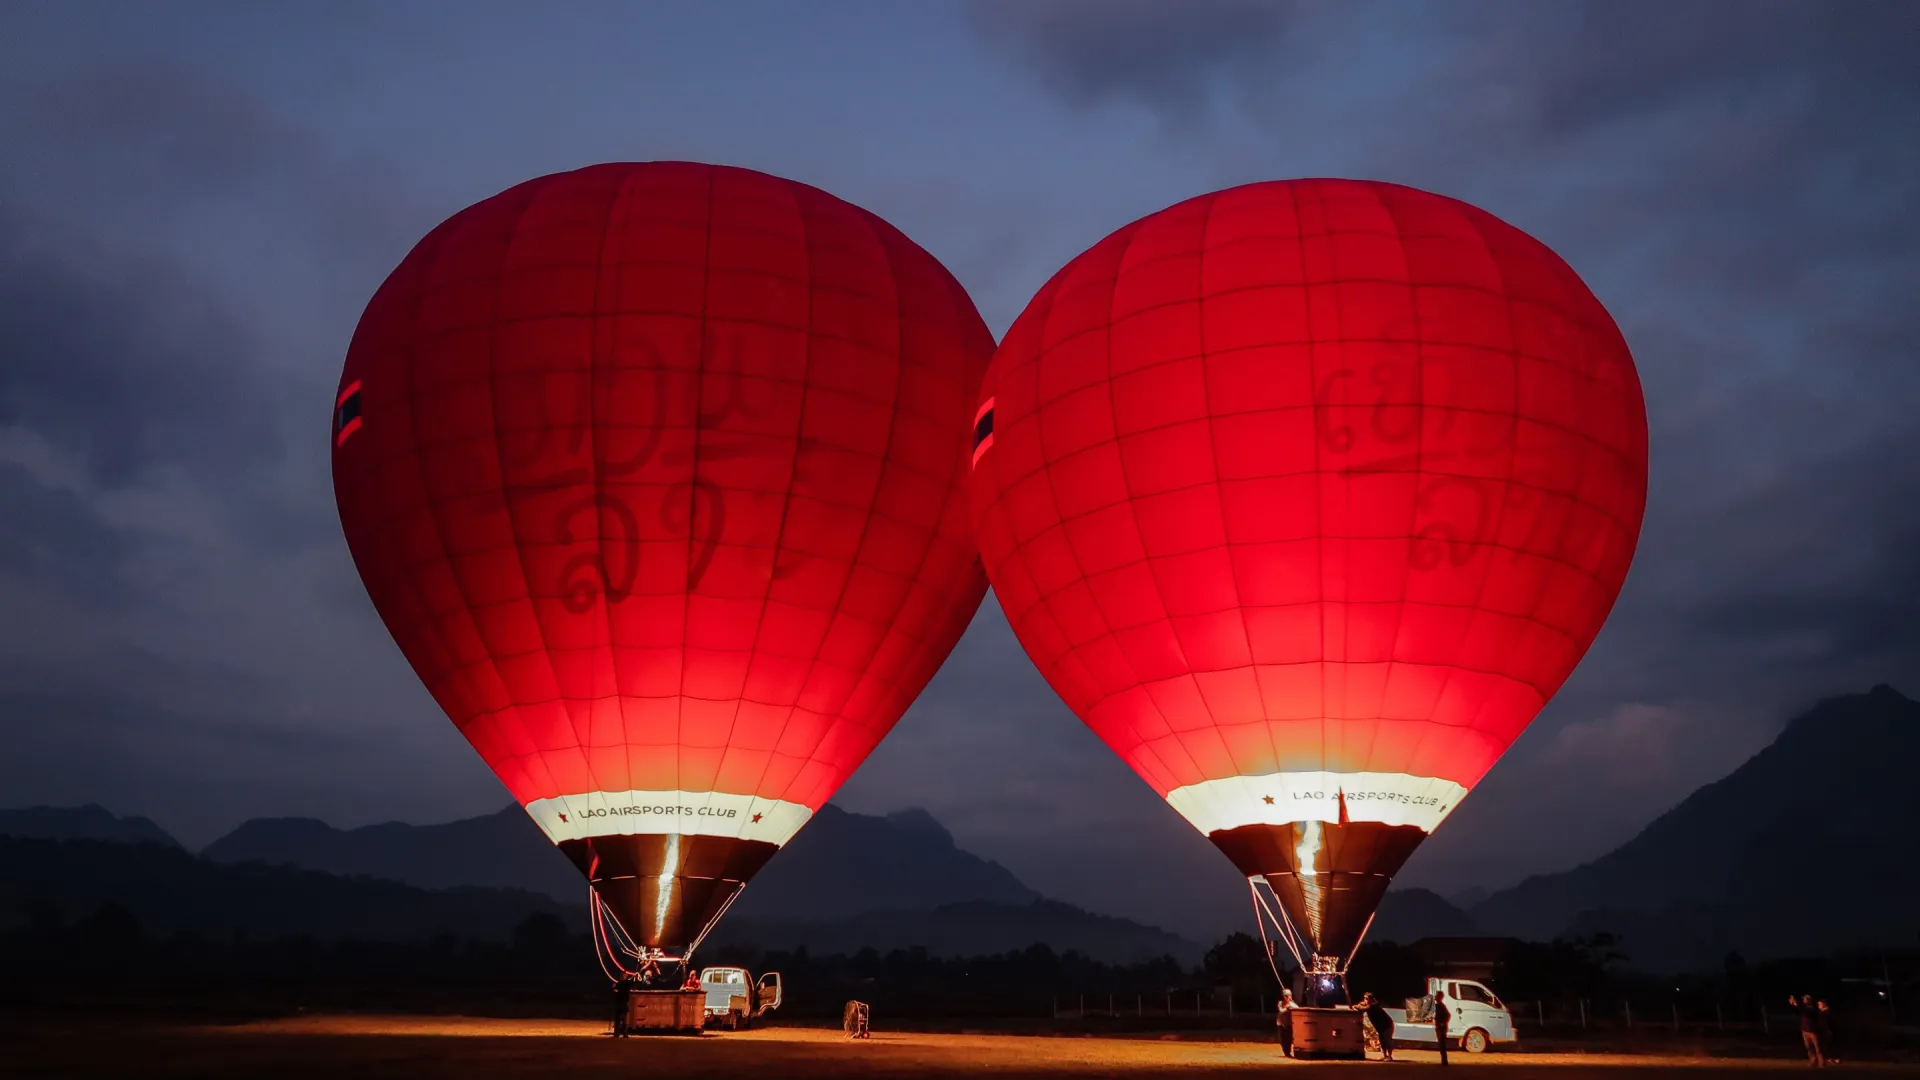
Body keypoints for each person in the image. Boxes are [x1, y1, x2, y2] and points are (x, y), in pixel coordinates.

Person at [1357, 992, 1396, 1062]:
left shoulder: (1373, 1006)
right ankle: (1385, 1056)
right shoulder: (1370, 1005)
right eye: (1365, 998)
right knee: (1382, 1041)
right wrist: (1360, 1004)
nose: (1365, 1000)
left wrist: (1357, 1006)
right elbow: (1362, 1005)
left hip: (1387, 1025)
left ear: (1371, 999)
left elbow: (1362, 1008)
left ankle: (1390, 1056)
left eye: (1367, 998)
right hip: (1380, 1027)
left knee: (1387, 1040)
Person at [1793, 995, 1824, 1067]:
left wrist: (1796, 1004)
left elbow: (1805, 1013)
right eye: (1803, 999)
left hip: (1813, 1031)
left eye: (1805, 999)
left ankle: (1821, 1063)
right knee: (1809, 1048)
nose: (1804, 1000)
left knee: (1818, 1048)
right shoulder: (1804, 1009)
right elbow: (1798, 1012)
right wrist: (1794, 1005)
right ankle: (1813, 1061)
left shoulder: (1812, 1009)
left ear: (1809, 1001)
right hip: (1805, 1031)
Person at [1815, 1000, 1837, 1064]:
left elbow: (1830, 1022)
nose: (1818, 1005)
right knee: (1824, 1045)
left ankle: (1834, 1057)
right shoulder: (1821, 1012)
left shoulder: (1828, 1012)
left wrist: (1829, 1030)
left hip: (1827, 1031)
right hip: (1822, 1031)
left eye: (1820, 1004)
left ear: (1824, 1004)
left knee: (1829, 1044)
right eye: (1818, 1004)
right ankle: (1829, 1057)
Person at [1276, 988, 1296, 1058]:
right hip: (1281, 1024)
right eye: (1285, 996)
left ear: (1291, 996)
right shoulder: (1280, 1003)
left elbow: (1298, 1009)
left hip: (1288, 1024)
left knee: (1289, 1039)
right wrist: (1287, 1008)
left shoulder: (1292, 1004)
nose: (1286, 997)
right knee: (1282, 1039)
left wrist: (1292, 1006)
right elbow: (1281, 1011)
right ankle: (1286, 1052)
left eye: (1288, 996)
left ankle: (1288, 1052)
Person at [1433, 989, 1451, 1066]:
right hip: (1439, 1027)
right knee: (1441, 1044)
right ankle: (1443, 1060)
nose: (1435, 997)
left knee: (1442, 1044)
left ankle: (1444, 1061)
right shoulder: (1439, 1005)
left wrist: (1443, 1023)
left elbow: (1448, 1015)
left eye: (1436, 996)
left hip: (1441, 1028)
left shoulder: (1440, 1006)